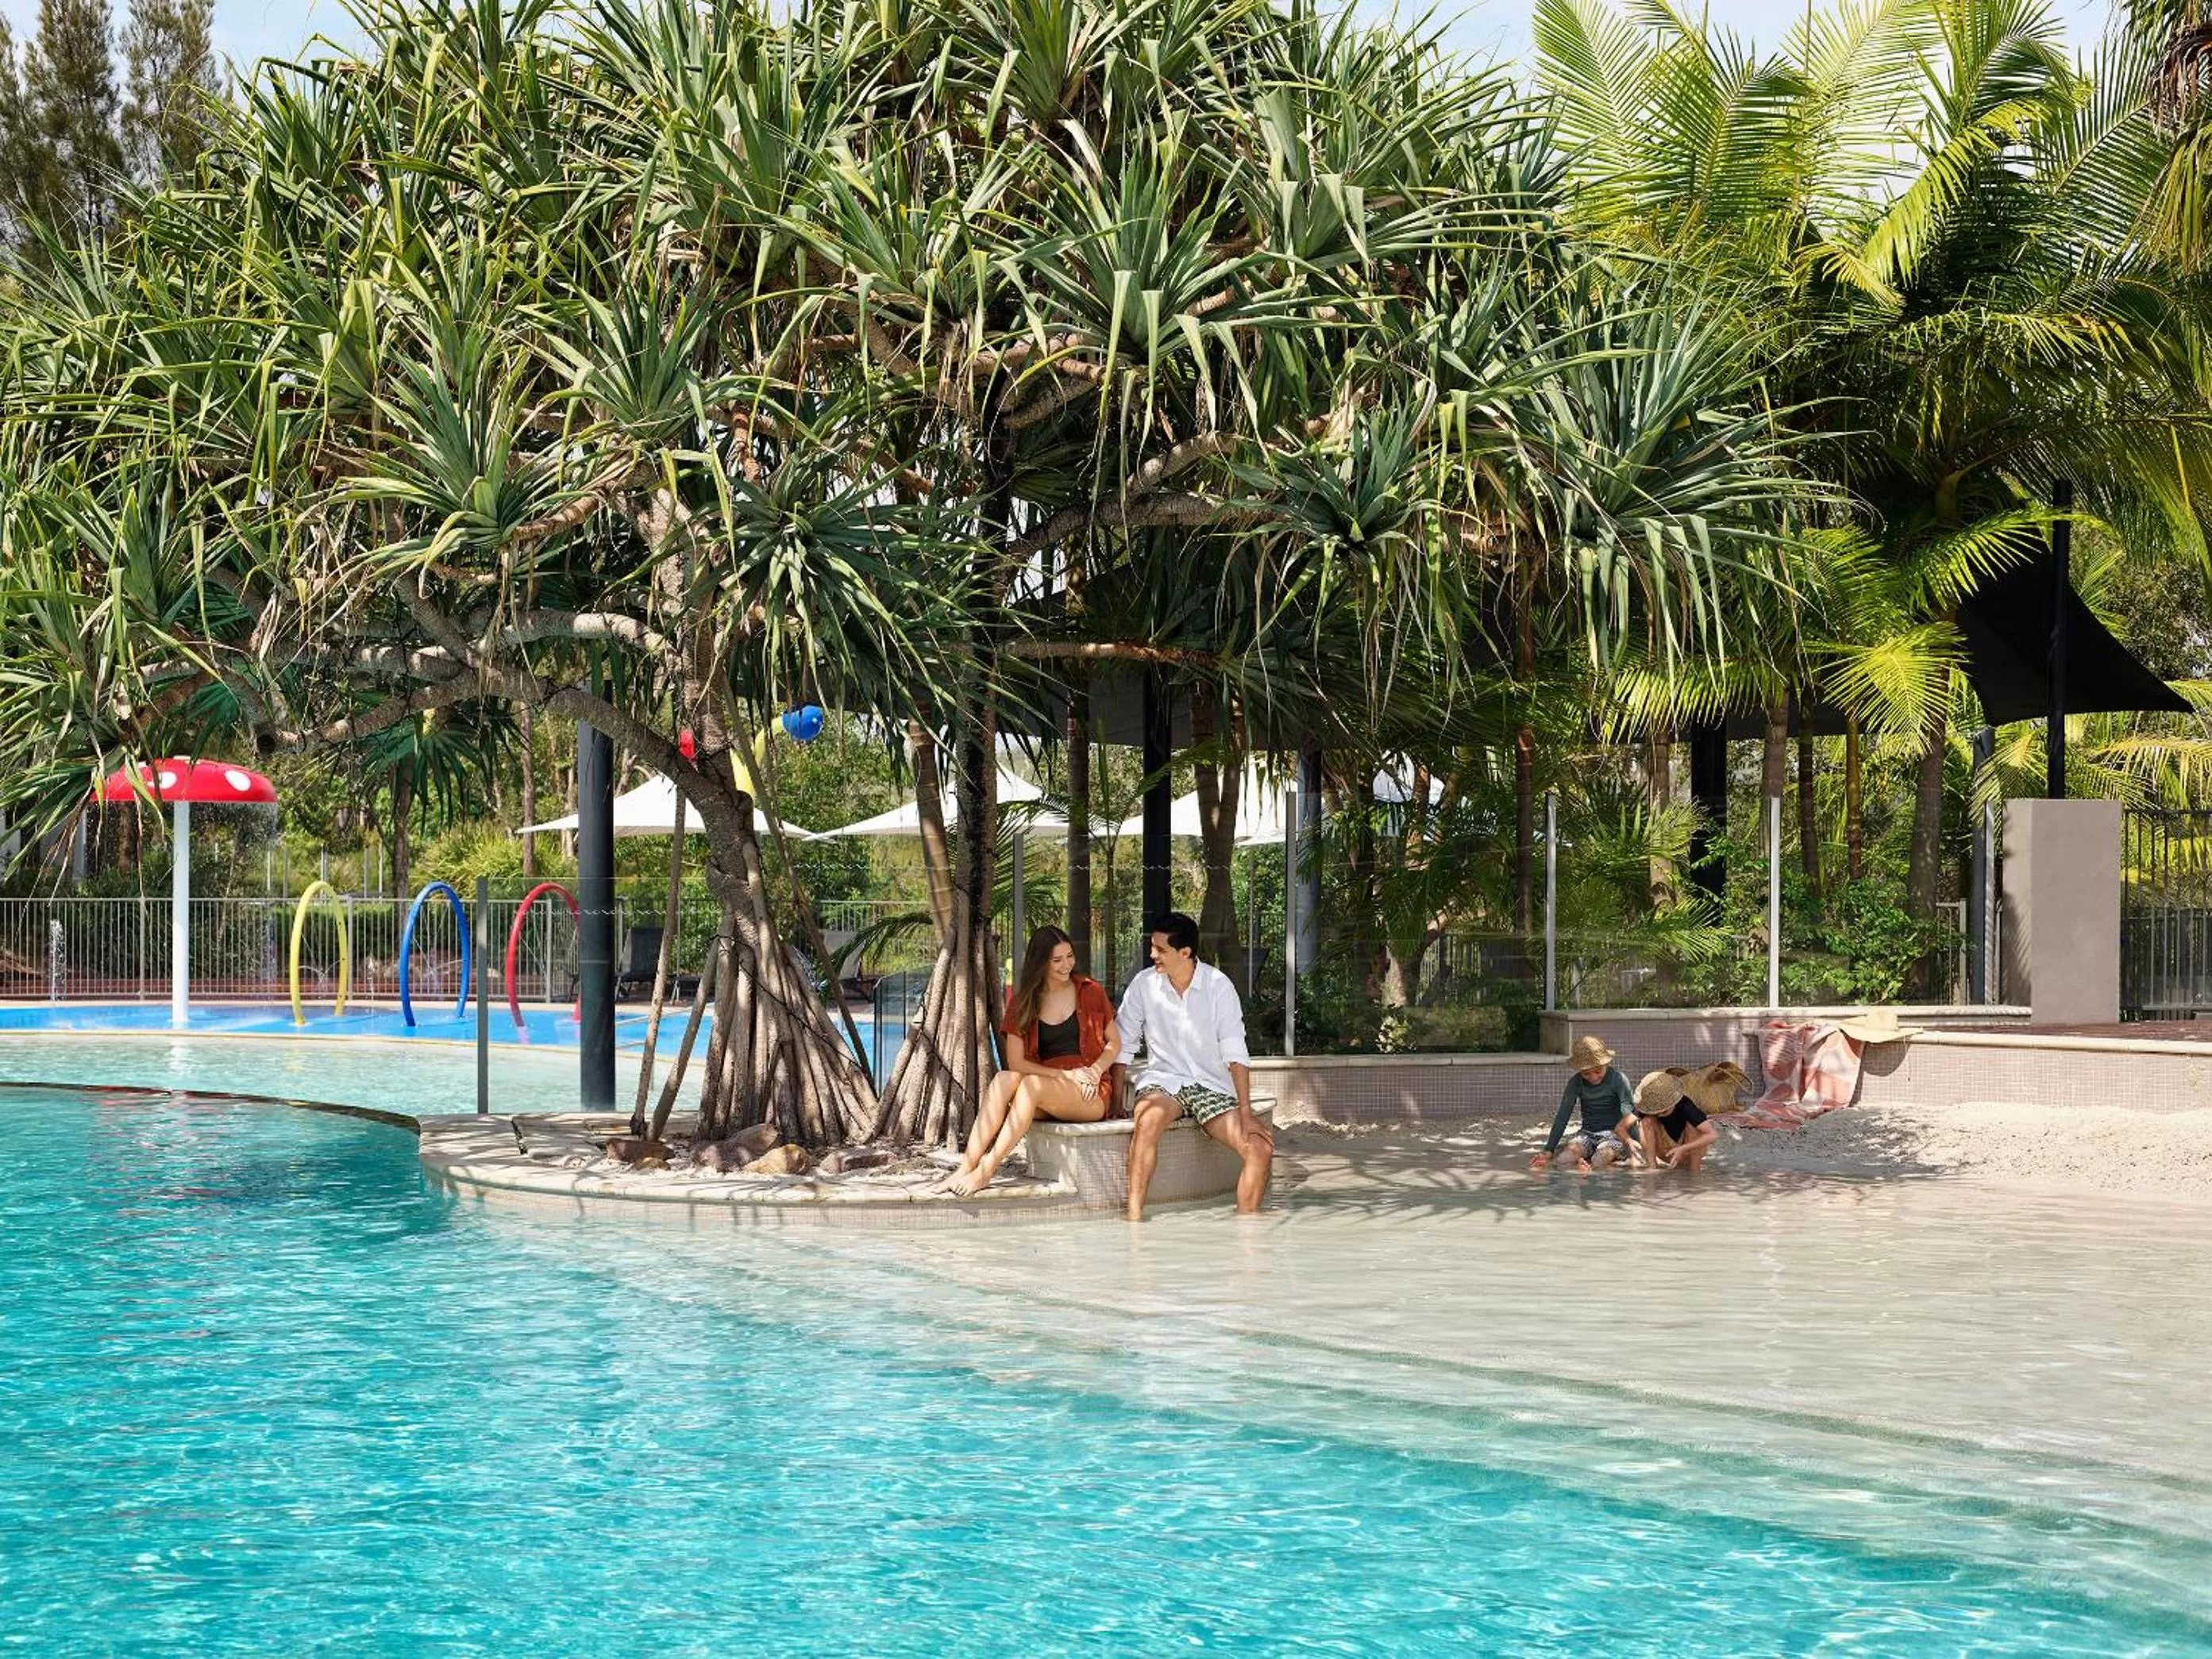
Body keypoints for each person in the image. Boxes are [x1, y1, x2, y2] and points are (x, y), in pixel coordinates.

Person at [940, 926, 1121, 1198]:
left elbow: (1114, 1043)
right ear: (1041, 963)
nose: (1066, 966)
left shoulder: (1089, 990)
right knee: (1004, 1079)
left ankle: (987, 1170)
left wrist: (1095, 1071)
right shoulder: (1024, 1002)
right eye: (1057, 960)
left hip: (1088, 1092)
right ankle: (966, 1165)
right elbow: (1016, 1064)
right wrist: (1066, 1076)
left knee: (1031, 1086)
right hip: (1049, 1088)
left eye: (1070, 957)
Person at [1119, 912, 1272, 1221]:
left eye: (1160, 950)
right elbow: (1123, 1045)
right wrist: (1113, 1102)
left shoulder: (1218, 987)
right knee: (1147, 1121)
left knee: (1260, 1149)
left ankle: (1246, 1234)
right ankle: (1133, 1221)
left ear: (1185, 953)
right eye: (1152, 947)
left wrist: (1245, 1113)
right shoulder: (1143, 985)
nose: (1152, 955)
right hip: (1163, 1082)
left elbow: (1235, 1052)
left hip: (1210, 1084)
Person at [1530, 1034, 1635, 1173]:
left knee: (1601, 1159)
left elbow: (1628, 1113)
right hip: (1587, 1134)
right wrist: (1549, 1149)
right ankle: (1581, 1167)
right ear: (1579, 1071)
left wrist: (1636, 1144)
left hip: (1614, 1134)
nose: (1593, 1077)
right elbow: (1563, 1116)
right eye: (1586, 1073)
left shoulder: (1618, 1080)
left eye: (1598, 1071)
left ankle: (1589, 1166)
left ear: (1606, 1064)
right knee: (1565, 1158)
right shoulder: (1575, 1083)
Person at [1626, 1069, 1717, 1172]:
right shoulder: (1647, 1106)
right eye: (1656, 1111)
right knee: (1646, 1120)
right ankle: (1652, 1167)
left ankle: (1695, 1170)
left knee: (1693, 1126)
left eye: (1663, 1110)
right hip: (1664, 1151)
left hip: (1687, 1150)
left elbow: (1713, 1135)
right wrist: (1628, 1140)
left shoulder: (1686, 1106)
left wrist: (1683, 1148)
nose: (1658, 1114)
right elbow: (1621, 1127)